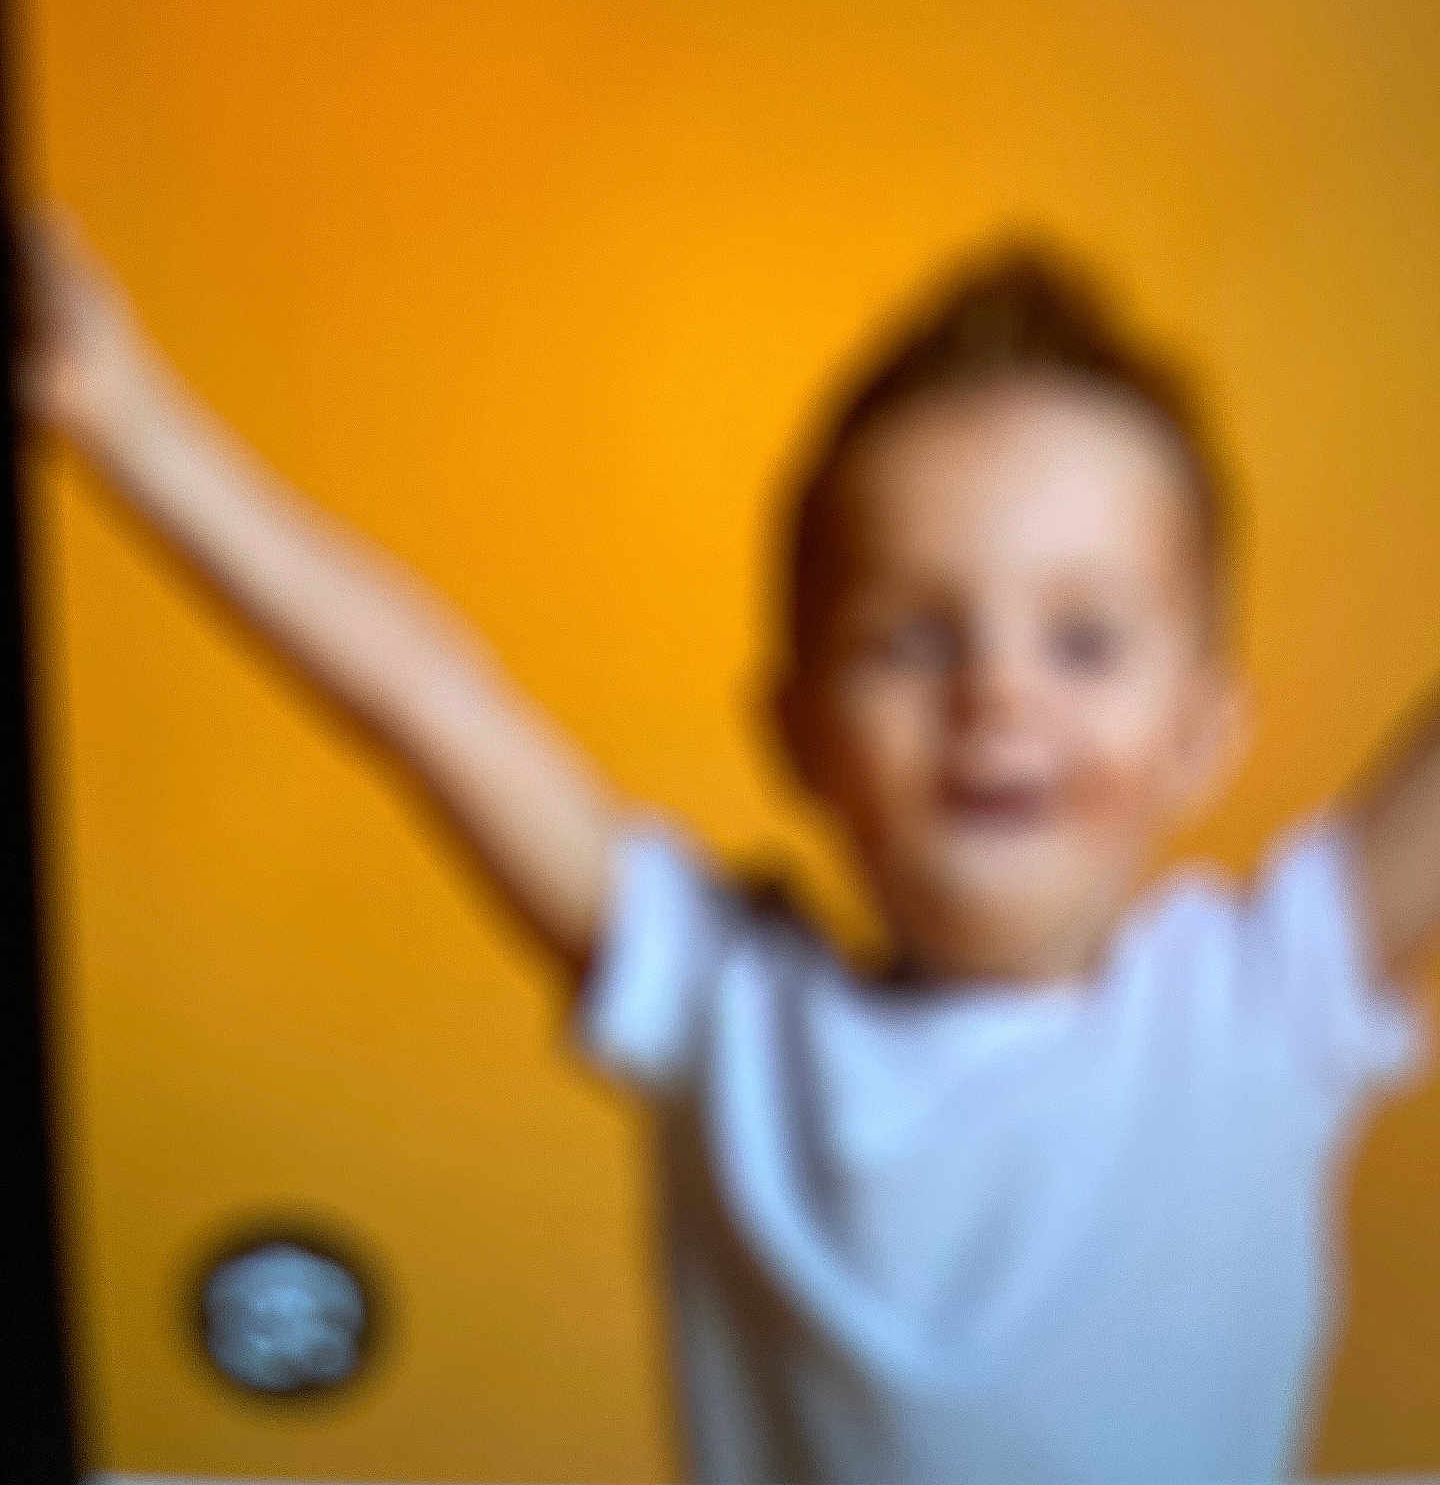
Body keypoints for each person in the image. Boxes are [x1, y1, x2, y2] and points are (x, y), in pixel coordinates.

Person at [14, 210, 1440, 1483]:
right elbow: (426, 705)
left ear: (1203, 733)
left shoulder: (1260, 1007)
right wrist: (125, 418)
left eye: (1084, 641)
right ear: (798, 733)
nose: (997, 695)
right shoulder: (727, 1009)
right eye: (910, 640)